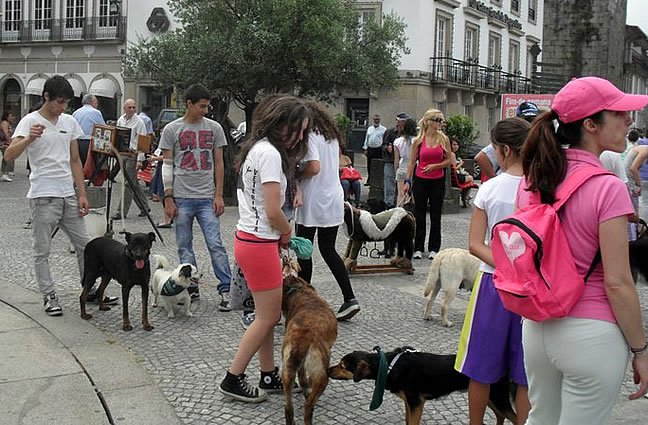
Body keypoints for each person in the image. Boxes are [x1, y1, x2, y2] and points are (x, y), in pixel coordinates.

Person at [518, 76, 648, 424]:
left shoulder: (535, 180)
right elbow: (618, 283)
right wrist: (641, 350)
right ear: (591, 125)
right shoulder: (607, 188)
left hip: (537, 326)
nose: (628, 121)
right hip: (592, 330)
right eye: (619, 113)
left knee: (541, 419)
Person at [220, 94, 310, 403]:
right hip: (260, 241)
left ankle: (268, 373)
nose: (298, 137)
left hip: (250, 239)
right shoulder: (271, 155)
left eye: (302, 132)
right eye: (296, 129)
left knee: (264, 314)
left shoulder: (257, 149)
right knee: (268, 318)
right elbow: (274, 211)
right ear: (278, 123)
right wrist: (287, 232)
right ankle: (233, 377)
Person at [4, 75, 117, 315]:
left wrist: (82, 193)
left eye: (66, 103)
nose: (63, 107)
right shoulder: (29, 121)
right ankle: (49, 295)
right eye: (59, 102)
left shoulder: (68, 121)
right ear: (46, 97)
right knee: (42, 250)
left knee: (86, 246)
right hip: (43, 195)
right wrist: (30, 138)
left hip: (68, 194)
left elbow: (75, 160)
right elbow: (9, 156)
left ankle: (90, 290)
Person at [455, 118, 531, 425]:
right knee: (526, 373)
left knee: (480, 368)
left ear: (503, 150)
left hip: (492, 285)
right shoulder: (543, 187)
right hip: (531, 288)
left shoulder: (490, 189)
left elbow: (475, 244)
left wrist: (506, 264)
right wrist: (523, 268)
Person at [159, 84, 232, 308]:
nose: (205, 110)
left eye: (207, 106)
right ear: (189, 104)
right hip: (181, 196)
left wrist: (219, 195)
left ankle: (226, 288)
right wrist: (168, 197)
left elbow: (219, 163)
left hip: (206, 197)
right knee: (184, 245)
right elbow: (167, 164)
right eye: (202, 106)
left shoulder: (215, 128)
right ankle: (189, 287)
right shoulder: (172, 129)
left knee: (215, 244)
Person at [297, 101, 360, 321]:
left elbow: (313, 167)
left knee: (304, 249)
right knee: (328, 249)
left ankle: (305, 302)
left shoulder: (310, 136)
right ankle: (349, 297)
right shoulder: (331, 136)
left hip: (313, 198)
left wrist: (294, 171)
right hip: (333, 196)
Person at [404, 109, 453, 260]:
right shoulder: (419, 141)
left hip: (437, 180)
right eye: (437, 120)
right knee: (419, 214)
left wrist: (435, 166)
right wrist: (407, 180)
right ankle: (418, 247)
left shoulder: (444, 139)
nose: (440, 123)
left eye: (441, 120)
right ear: (428, 122)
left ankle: (434, 247)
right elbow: (412, 162)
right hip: (420, 180)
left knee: (435, 215)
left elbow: (449, 161)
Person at [112, 99, 150, 220]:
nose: (132, 110)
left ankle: (121, 212)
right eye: (130, 107)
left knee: (128, 184)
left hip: (133, 155)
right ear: (125, 108)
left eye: (134, 107)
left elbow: (142, 143)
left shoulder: (139, 122)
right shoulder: (121, 119)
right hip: (123, 154)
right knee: (133, 182)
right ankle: (144, 206)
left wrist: (140, 159)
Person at [382, 113, 409, 207]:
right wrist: (387, 148)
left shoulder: (408, 134)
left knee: (403, 186)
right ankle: (388, 204)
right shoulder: (389, 132)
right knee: (389, 184)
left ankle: (403, 205)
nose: (401, 124)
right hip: (390, 161)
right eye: (400, 121)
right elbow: (383, 145)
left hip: (403, 163)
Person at [72, 94, 105, 167]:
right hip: (89, 142)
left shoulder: (76, 112)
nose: (97, 104)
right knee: (90, 167)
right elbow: (103, 128)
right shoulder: (95, 112)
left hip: (76, 142)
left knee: (79, 165)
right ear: (92, 102)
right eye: (96, 102)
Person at [393, 117, 417, 205]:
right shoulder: (417, 141)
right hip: (414, 167)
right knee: (414, 193)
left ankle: (399, 212)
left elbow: (396, 159)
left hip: (402, 167)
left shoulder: (397, 141)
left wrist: (396, 170)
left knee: (400, 194)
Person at [363, 114, 386, 186]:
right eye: (375, 119)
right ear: (373, 120)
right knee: (369, 165)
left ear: (380, 120)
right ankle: (369, 179)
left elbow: (384, 140)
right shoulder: (370, 129)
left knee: (378, 164)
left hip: (378, 149)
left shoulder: (383, 129)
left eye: (378, 119)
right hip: (370, 149)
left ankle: (378, 180)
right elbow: (366, 139)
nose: (377, 121)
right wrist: (365, 148)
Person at [1, 111, 16, 181]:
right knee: (7, 157)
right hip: (4, 143)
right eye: (10, 116)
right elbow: (5, 133)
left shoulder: (8, 123)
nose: (11, 118)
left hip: (6, 143)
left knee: (6, 158)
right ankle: (5, 173)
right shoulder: (4, 123)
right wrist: (10, 141)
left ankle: (4, 173)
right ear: (6, 116)